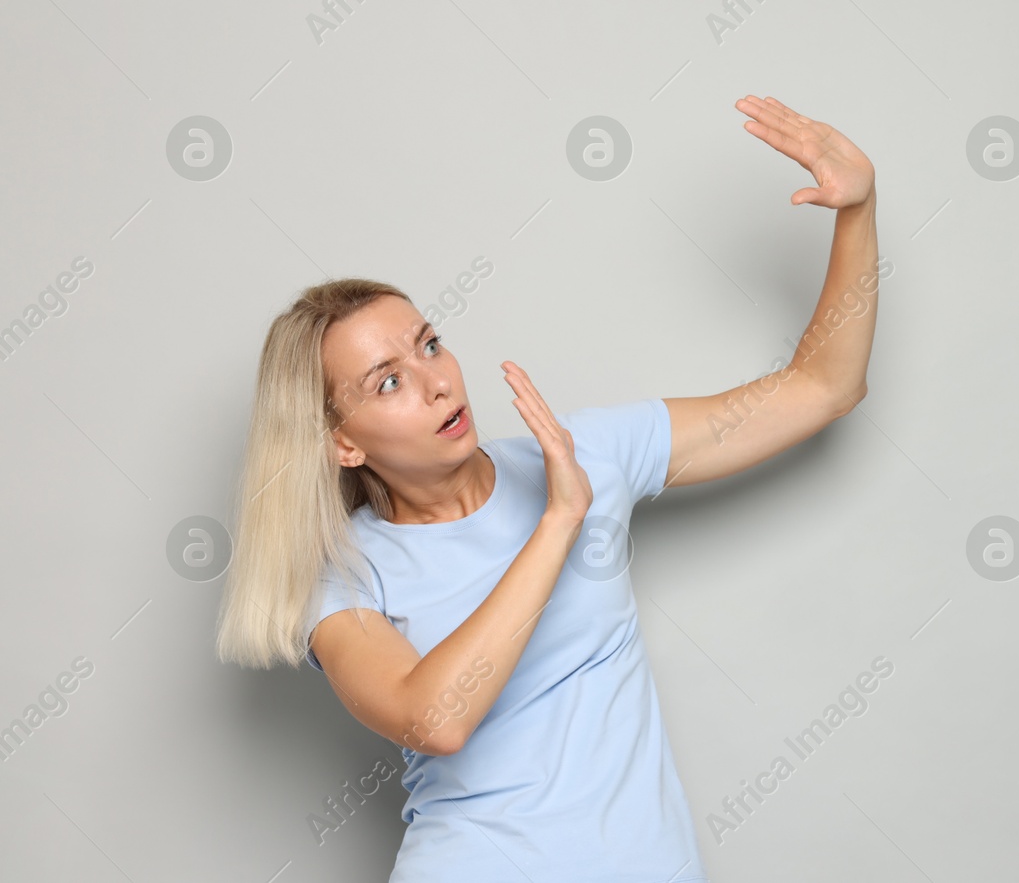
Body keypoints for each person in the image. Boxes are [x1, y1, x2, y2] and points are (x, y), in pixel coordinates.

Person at [214, 96, 882, 881]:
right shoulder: (344, 576)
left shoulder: (582, 451)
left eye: (429, 343)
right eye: (389, 380)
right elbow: (434, 718)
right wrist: (561, 518)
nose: (435, 382)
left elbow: (821, 388)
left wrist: (859, 210)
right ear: (342, 440)